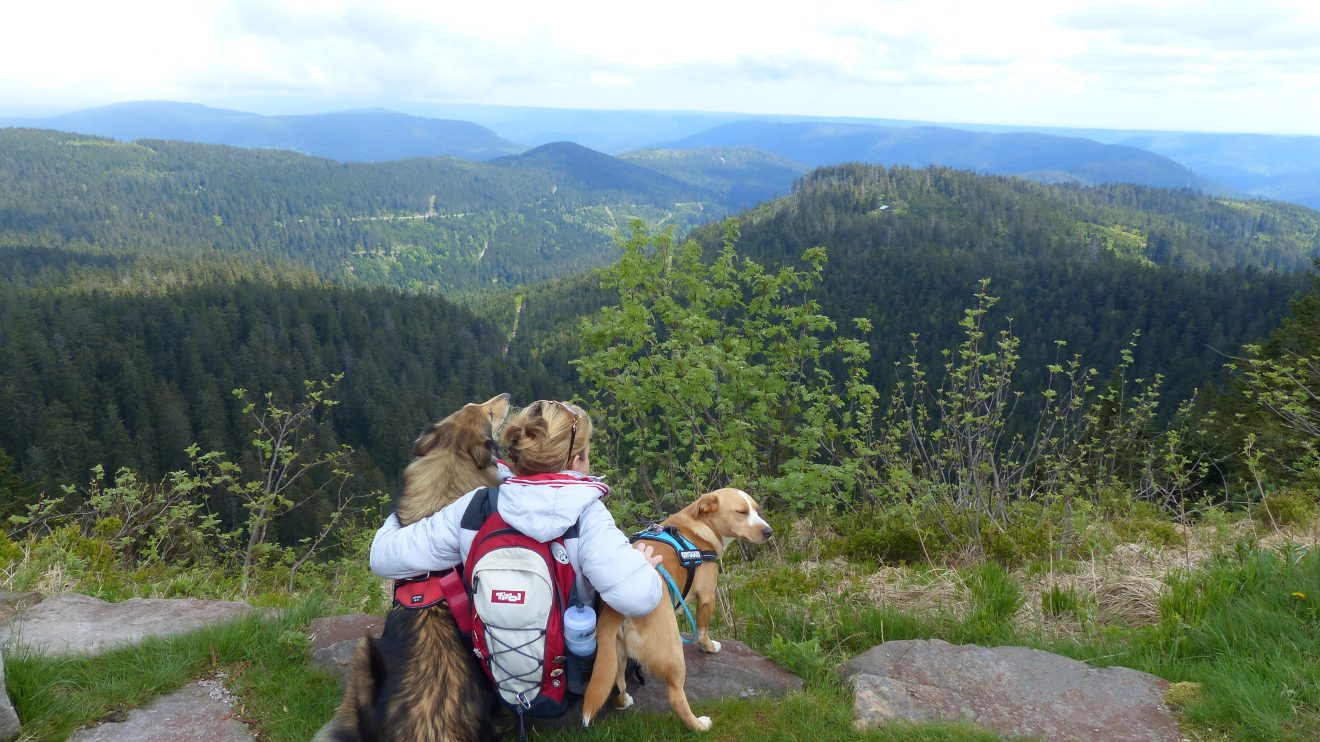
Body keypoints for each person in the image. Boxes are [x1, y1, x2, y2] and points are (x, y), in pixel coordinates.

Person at [370, 399, 664, 622]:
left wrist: (411, 497)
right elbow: (636, 598)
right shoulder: (588, 516)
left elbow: (383, 558)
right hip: (563, 674)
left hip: (494, 672)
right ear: (577, 462)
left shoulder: (476, 506)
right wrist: (642, 568)